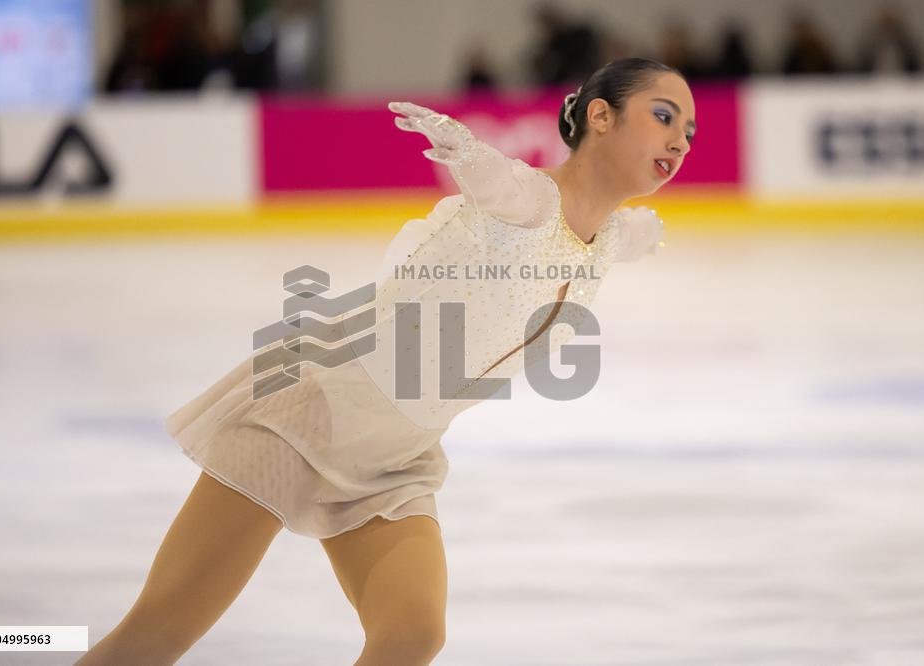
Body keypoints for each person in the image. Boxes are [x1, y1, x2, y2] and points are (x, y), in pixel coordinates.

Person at [76, 57, 694, 665]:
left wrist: (643, 232)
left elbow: (630, 234)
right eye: (664, 117)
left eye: (690, 132)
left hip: (396, 460)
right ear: (600, 116)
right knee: (154, 638)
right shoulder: (527, 200)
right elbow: (498, 181)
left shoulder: (606, 239)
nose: (680, 142)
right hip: (306, 416)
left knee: (411, 636)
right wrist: (465, 150)